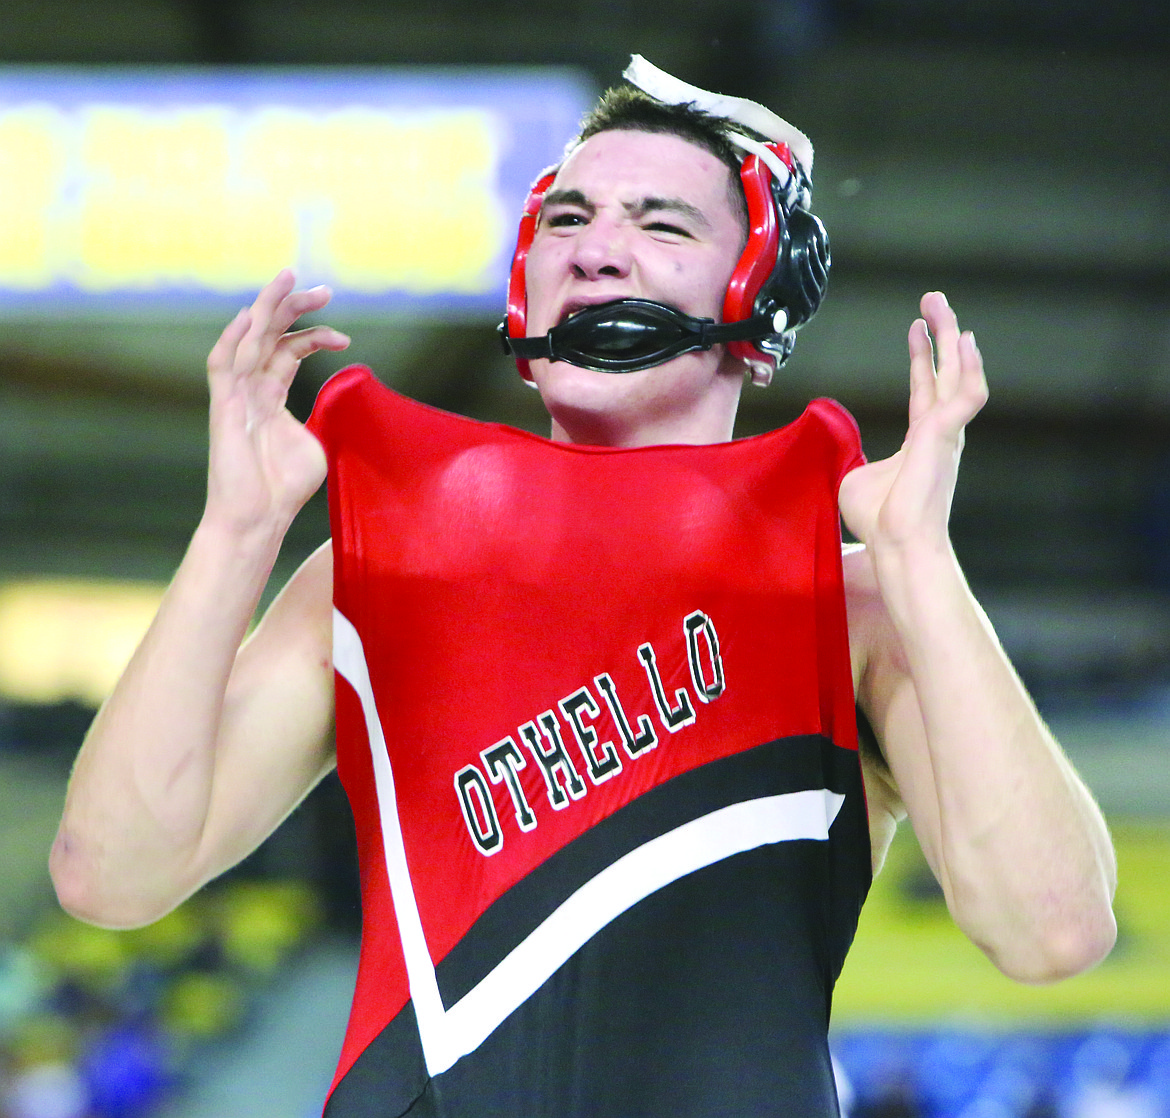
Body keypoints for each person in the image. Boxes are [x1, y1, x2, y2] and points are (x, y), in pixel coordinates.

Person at [50, 57, 1116, 1117]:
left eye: (663, 225)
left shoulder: (856, 604)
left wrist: (921, 562)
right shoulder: (373, 577)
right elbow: (112, 874)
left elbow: (1052, 928)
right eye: (566, 219)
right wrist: (234, 534)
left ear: (760, 296)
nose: (598, 249)